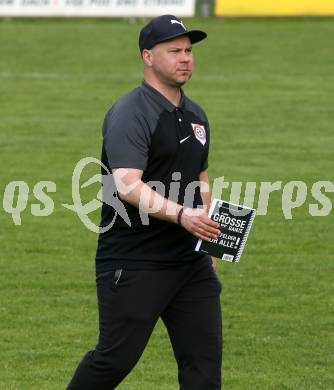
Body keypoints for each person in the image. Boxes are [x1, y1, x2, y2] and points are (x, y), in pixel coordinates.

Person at [67, 14, 223, 390]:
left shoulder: (195, 114)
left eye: (188, 51)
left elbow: (200, 178)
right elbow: (127, 186)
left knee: (204, 367)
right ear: (148, 57)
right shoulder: (130, 114)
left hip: (190, 263)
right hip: (134, 262)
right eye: (174, 51)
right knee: (114, 359)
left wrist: (209, 240)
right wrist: (183, 215)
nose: (185, 58)